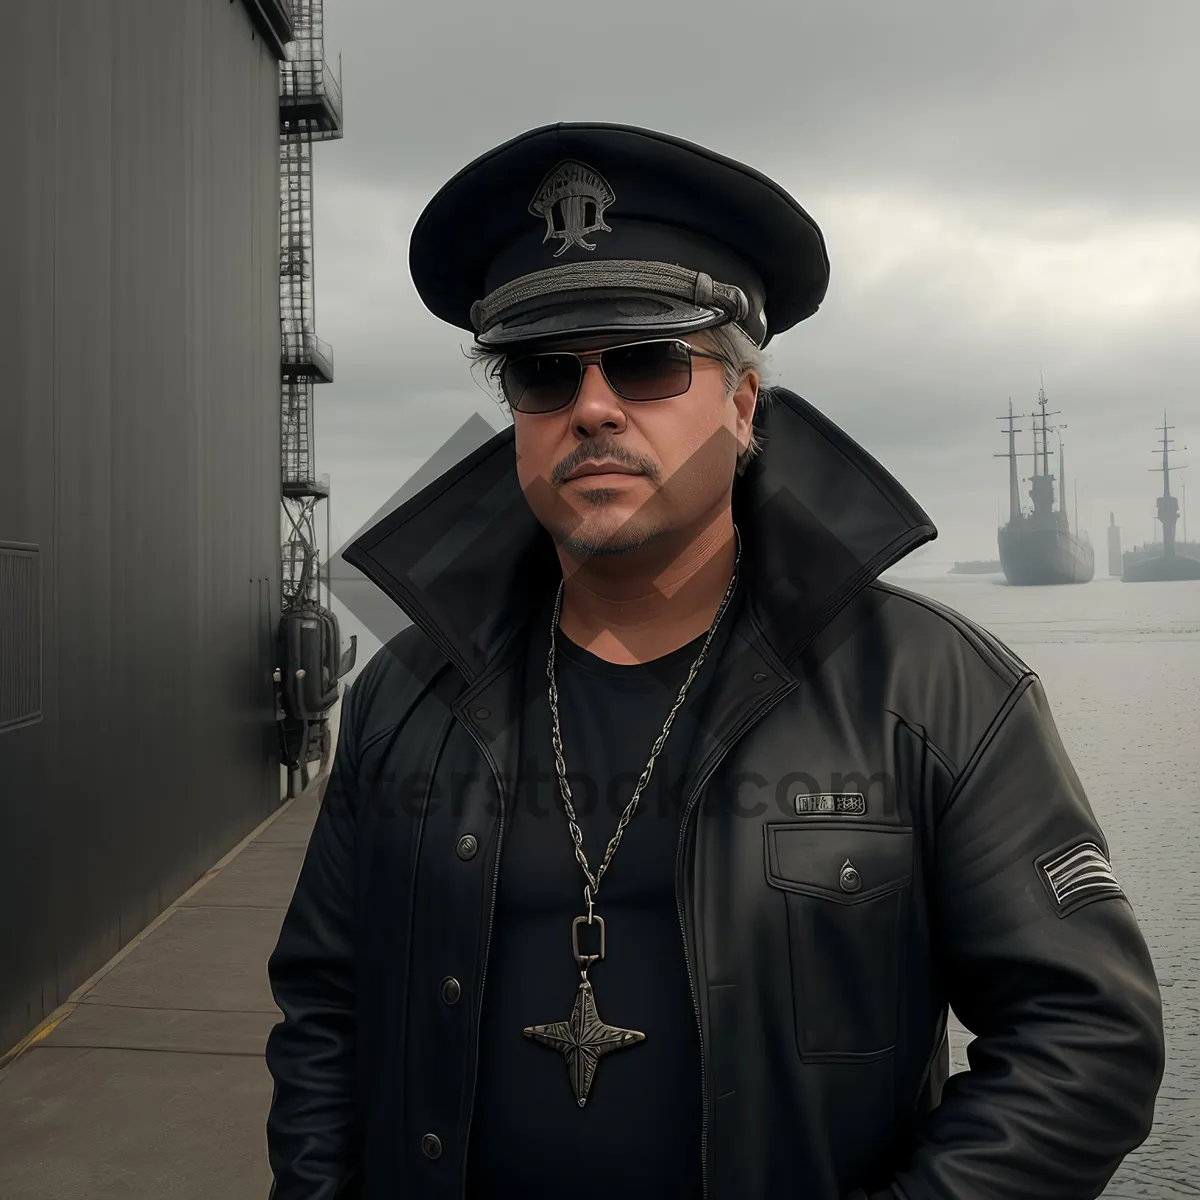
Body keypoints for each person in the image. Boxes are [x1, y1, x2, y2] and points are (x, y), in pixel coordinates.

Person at [264, 123, 1164, 1200]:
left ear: (742, 408)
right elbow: (326, 1008)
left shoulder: (935, 694)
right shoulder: (401, 698)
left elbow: (1086, 1034)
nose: (591, 406)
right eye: (543, 375)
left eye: (645, 361)